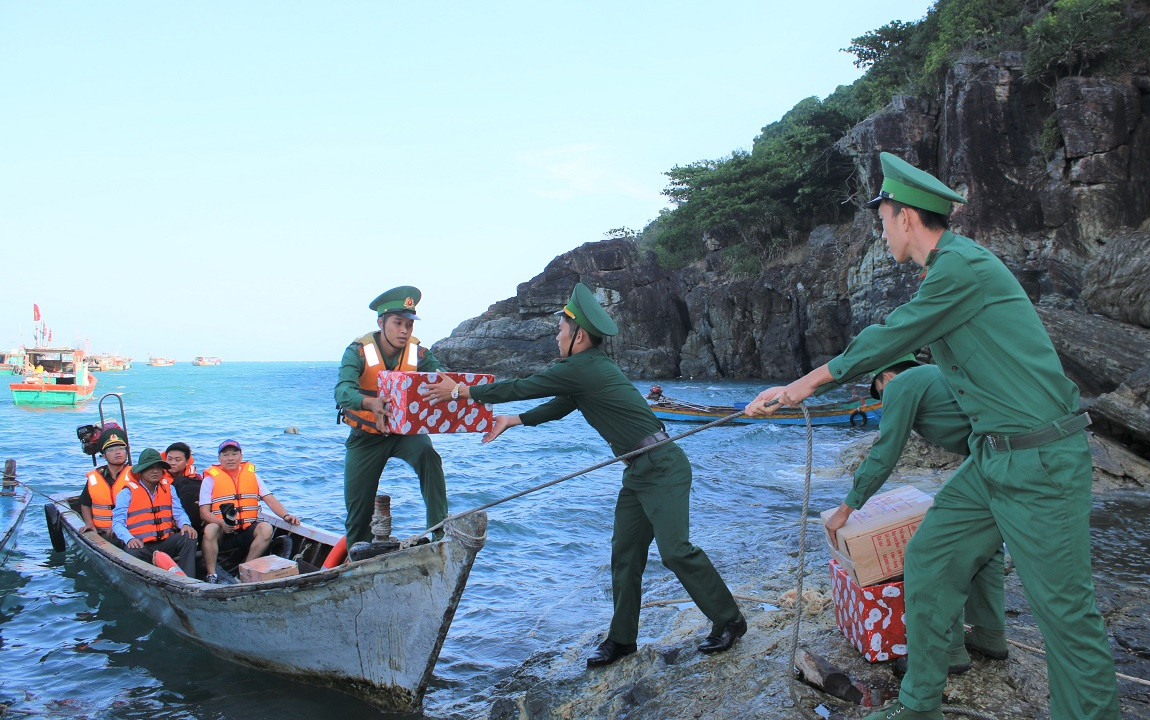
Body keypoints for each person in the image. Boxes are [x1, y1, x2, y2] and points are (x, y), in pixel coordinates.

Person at [747, 152, 1119, 720]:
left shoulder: (959, 268)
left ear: (905, 217)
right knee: (929, 555)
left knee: (1066, 616)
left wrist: (800, 387)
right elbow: (902, 342)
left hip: (1041, 459)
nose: (882, 232)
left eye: (883, 219)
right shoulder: (943, 275)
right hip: (992, 458)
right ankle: (918, 705)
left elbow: (888, 337)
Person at [427, 283, 746, 668]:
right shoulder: (584, 372)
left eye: (560, 331)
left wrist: (462, 391)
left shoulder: (581, 367)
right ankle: (622, 639)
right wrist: (514, 420)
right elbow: (562, 404)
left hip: (662, 465)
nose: (556, 338)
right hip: (640, 469)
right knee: (625, 555)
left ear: (579, 336)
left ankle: (729, 620)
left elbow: (524, 386)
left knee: (675, 551)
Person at [823, 356, 1007, 676]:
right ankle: (989, 634)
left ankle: (944, 652)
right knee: (984, 547)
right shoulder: (937, 376)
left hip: (995, 458)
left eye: (880, 392)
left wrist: (845, 509)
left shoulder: (902, 385)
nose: (884, 401)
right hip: (1002, 457)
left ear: (887, 377)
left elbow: (885, 452)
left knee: (932, 550)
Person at [334, 285, 448, 546]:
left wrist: (465, 393)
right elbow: (342, 391)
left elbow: (444, 378)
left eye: (409, 324)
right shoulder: (358, 351)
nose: (405, 330)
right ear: (381, 322)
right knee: (357, 514)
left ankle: (440, 530)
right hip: (366, 438)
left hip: (403, 435)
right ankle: (357, 559)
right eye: (398, 323)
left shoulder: (419, 353)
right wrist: (368, 402)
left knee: (427, 453)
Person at [199, 440, 299, 584]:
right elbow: (204, 513)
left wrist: (286, 515)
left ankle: (244, 571)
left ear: (241, 456)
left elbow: (270, 499)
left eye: (234, 454)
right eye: (226, 455)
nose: (230, 458)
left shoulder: (253, 476)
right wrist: (221, 523)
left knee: (265, 528)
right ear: (219, 459)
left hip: (245, 530)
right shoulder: (210, 480)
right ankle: (212, 574)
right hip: (222, 531)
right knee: (210, 529)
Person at [112, 448, 198, 577]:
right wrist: (129, 539)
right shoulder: (126, 493)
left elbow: (179, 512)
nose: (155, 471)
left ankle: (189, 579)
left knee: (189, 536)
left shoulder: (169, 488)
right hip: (141, 545)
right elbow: (117, 523)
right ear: (141, 471)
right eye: (150, 468)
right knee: (132, 551)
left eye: (159, 468)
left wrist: (186, 524)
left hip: (165, 542)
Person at [79, 427, 133, 543]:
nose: (117, 452)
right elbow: (85, 503)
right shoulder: (95, 477)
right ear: (103, 455)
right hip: (102, 533)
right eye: (111, 450)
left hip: (130, 531)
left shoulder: (136, 474)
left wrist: (119, 526)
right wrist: (89, 524)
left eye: (121, 448)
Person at [163, 442, 204, 532]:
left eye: (177, 460)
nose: (172, 463)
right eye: (169, 459)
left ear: (187, 462)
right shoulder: (158, 478)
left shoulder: (196, 479)